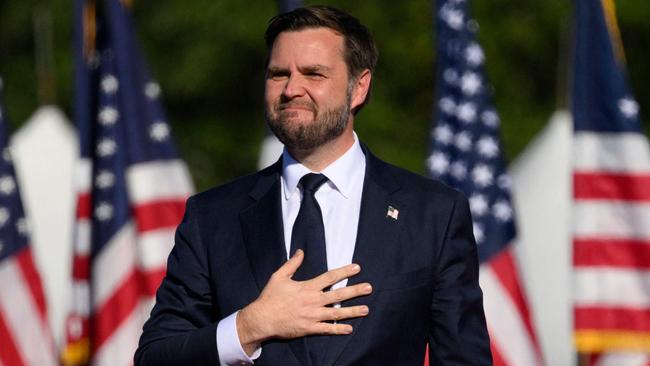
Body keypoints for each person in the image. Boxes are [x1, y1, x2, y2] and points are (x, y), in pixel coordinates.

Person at [135, 5, 491, 366]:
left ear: (359, 87)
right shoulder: (212, 218)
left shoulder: (432, 213)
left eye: (313, 73)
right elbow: (155, 356)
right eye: (278, 74)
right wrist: (248, 326)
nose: (292, 89)